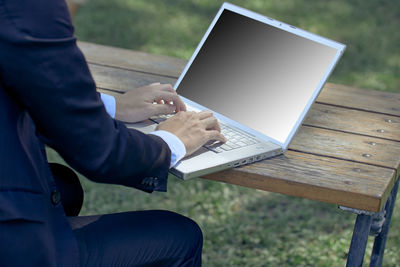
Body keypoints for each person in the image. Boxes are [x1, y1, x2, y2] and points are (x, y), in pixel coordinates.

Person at [0, 0, 226, 266]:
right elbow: (102, 153)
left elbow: (23, 82)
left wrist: (111, 106)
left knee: (65, 186)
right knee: (181, 236)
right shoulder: (27, 11)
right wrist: (170, 142)